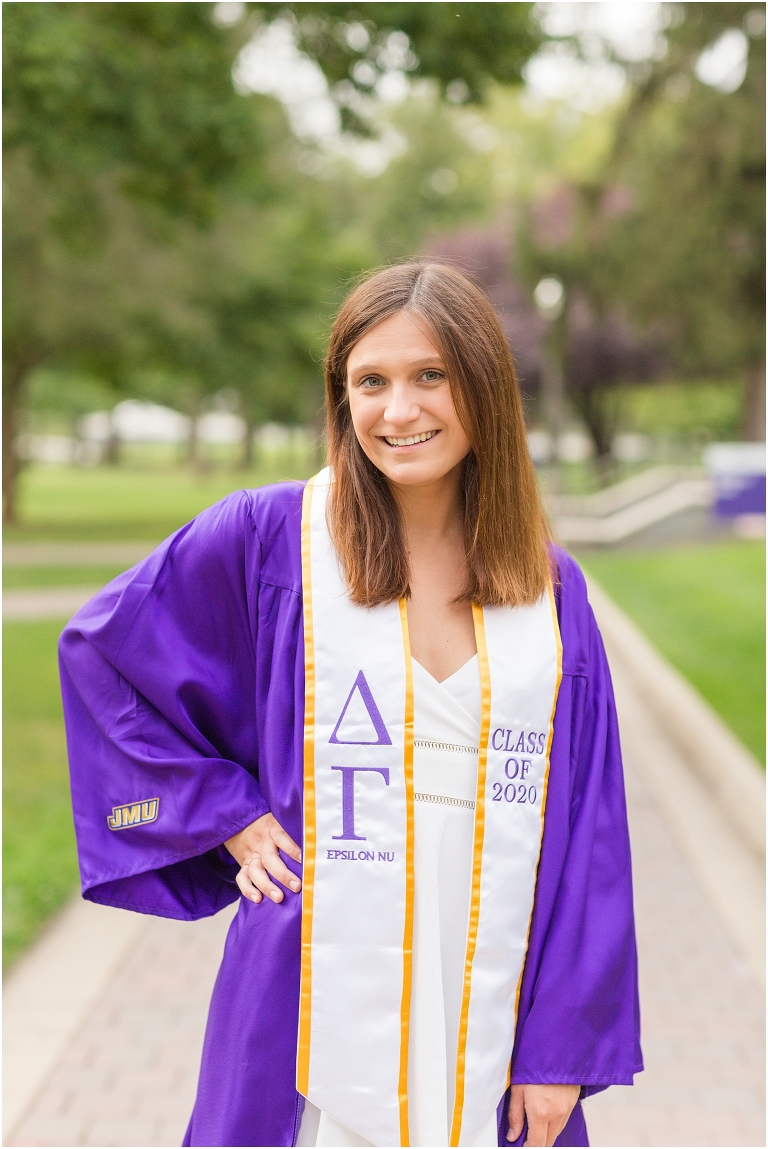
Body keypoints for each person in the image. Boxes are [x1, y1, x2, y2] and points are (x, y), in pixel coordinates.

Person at [60, 262, 642, 1148]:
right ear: (341, 397)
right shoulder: (272, 539)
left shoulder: (550, 593)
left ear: (483, 386)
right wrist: (226, 812)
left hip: (492, 980)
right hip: (310, 985)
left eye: (430, 376)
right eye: (370, 381)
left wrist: (560, 1049)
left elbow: (591, 836)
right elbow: (104, 655)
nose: (397, 411)